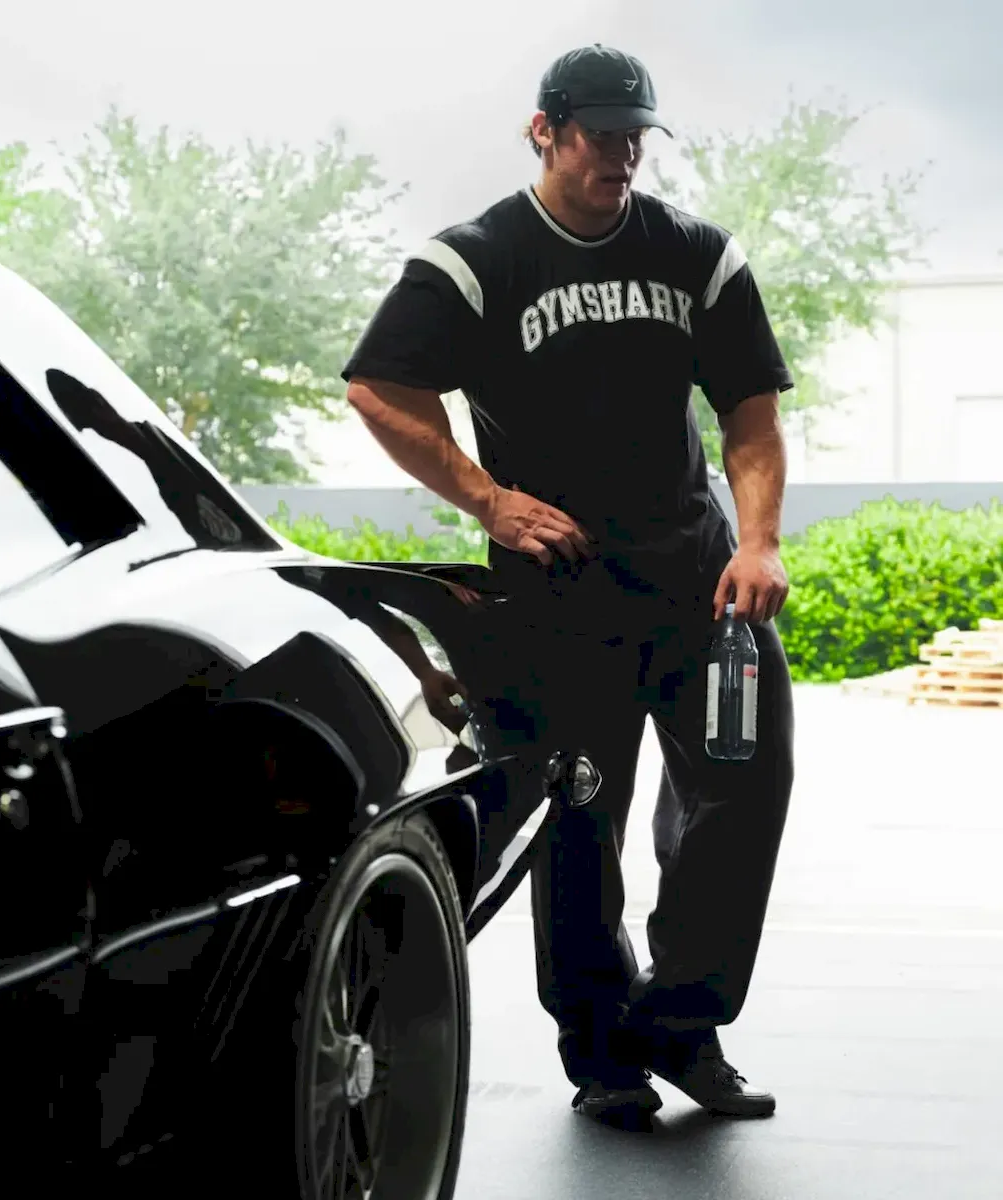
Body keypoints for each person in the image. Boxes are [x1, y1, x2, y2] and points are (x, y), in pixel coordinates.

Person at [341, 42, 796, 1127]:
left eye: (634, 137)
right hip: (560, 595)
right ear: (543, 131)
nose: (619, 157)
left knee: (746, 785)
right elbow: (379, 389)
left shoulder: (696, 254)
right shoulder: (474, 260)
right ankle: (603, 1056)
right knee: (581, 817)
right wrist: (487, 499)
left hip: (699, 582)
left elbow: (750, 414)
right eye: (598, 135)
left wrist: (760, 542)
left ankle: (682, 1025)